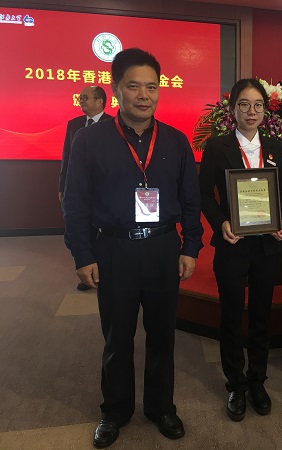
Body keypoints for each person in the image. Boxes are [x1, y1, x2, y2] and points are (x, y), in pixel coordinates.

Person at [62, 48, 203, 448]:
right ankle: (115, 411)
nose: (144, 95)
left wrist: (190, 247)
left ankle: (161, 408)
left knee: (162, 335)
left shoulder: (175, 140)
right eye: (134, 86)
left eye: (152, 87)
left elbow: (190, 201)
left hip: (163, 249)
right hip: (114, 250)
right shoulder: (89, 140)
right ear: (116, 90)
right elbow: (75, 203)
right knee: (117, 337)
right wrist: (83, 254)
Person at [198, 78, 282, 422]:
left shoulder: (276, 147)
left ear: (266, 110)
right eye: (244, 104)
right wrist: (221, 222)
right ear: (232, 109)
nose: (252, 112)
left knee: (262, 315)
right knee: (232, 315)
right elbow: (204, 194)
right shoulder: (217, 146)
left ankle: (257, 380)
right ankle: (235, 383)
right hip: (233, 245)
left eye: (258, 105)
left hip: (267, 246)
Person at [58, 85, 112, 291]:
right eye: (80, 98)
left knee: (102, 232)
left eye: (85, 97)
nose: (81, 100)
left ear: (99, 101)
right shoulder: (74, 124)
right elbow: (67, 157)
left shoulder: (113, 124)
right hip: (79, 188)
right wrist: (62, 185)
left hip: (103, 189)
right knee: (82, 230)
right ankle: (88, 273)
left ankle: (105, 271)